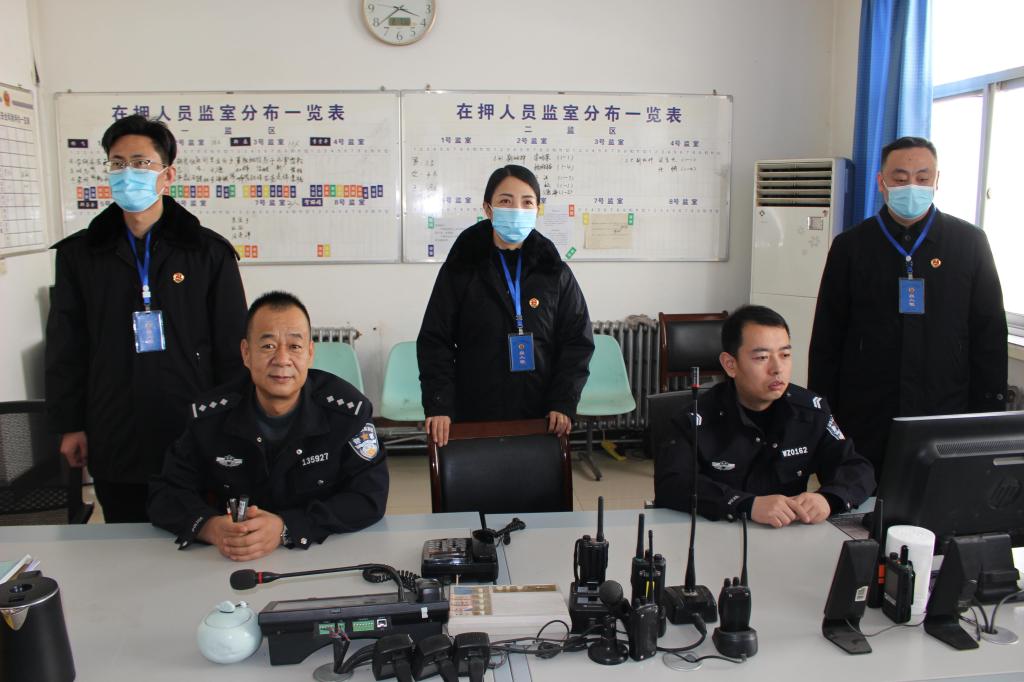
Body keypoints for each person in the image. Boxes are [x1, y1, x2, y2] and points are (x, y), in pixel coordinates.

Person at [45, 114, 247, 523]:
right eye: (117, 163)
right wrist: (70, 424)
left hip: (191, 424)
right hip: (113, 426)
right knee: (125, 540)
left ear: (167, 175)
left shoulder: (208, 253)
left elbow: (232, 348)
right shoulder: (80, 255)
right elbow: (67, 347)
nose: (128, 173)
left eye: (140, 163)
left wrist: (233, 424)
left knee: (198, 534)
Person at [808, 136, 1007, 475]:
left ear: (936, 180)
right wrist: (823, 420)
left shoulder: (970, 243)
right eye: (900, 178)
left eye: (922, 177)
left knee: (939, 499)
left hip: (945, 413)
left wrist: (987, 420)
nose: (911, 186)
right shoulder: (850, 247)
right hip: (867, 414)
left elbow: (989, 337)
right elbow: (827, 339)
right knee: (861, 499)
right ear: (881, 182)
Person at [148, 291, 388, 560]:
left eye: (294, 346)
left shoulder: (347, 413)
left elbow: (369, 496)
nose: (282, 359)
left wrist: (288, 527)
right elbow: (165, 492)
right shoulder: (210, 418)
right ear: (246, 353)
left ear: (310, 353)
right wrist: (210, 527)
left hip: (320, 556)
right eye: (268, 346)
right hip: (229, 560)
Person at [417, 164, 595, 446]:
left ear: (537, 209)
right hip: (474, 410)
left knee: (533, 475)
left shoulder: (554, 271)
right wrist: (439, 404)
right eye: (505, 201)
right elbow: (435, 340)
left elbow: (577, 341)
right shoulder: (461, 267)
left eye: (527, 202)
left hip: (540, 414)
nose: (517, 210)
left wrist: (563, 401)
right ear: (488, 209)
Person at [654, 305, 874, 528]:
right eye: (762, 357)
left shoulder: (811, 411)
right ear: (730, 365)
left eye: (785, 355)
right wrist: (746, 504)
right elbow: (672, 483)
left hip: (788, 534)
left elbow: (857, 468)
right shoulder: (694, 419)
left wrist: (829, 498)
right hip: (717, 532)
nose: (777, 368)